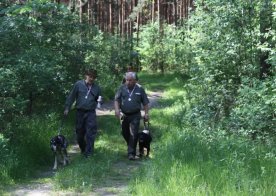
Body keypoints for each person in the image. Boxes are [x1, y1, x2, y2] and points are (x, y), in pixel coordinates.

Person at [64, 69, 101, 158]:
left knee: (90, 133)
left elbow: (99, 100)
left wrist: (100, 102)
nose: (91, 79)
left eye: (93, 77)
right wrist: (67, 108)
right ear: (86, 76)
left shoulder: (97, 88)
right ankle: (83, 149)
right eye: (90, 76)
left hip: (91, 112)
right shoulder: (78, 84)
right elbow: (71, 96)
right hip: (80, 112)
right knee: (79, 134)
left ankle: (89, 153)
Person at [114, 72, 149, 160]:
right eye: (127, 80)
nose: (128, 82)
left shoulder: (140, 89)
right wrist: (117, 110)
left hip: (135, 114)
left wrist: (146, 113)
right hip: (124, 114)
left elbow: (145, 103)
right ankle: (131, 145)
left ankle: (131, 153)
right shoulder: (121, 88)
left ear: (135, 81)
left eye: (130, 80)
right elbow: (116, 100)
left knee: (133, 133)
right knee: (124, 132)